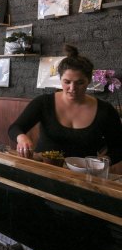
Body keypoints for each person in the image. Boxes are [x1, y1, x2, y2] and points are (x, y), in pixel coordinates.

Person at [8, 45, 122, 173]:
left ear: (89, 80)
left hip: (83, 175)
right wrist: (21, 137)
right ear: (60, 79)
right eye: (67, 82)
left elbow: (119, 148)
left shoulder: (105, 110)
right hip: (44, 169)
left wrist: (104, 161)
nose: (72, 88)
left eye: (80, 83)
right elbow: (15, 128)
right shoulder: (44, 102)